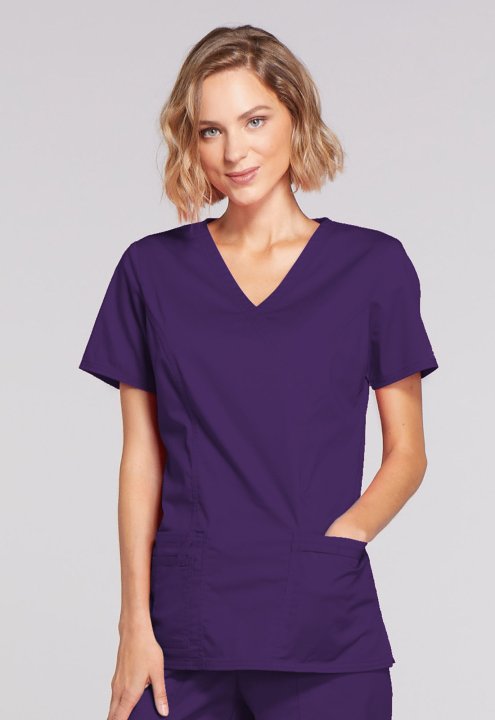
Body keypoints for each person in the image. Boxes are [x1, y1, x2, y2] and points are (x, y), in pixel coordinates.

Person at [78, 24, 439, 720]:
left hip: (322, 629)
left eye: (254, 120)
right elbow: (141, 457)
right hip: (183, 628)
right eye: (210, 131)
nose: (233, 151)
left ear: (295, 117)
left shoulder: (372, 267)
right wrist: (134, 624)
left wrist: (342, 542)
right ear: (190, 141)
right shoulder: (150, 271)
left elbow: (408, 453)